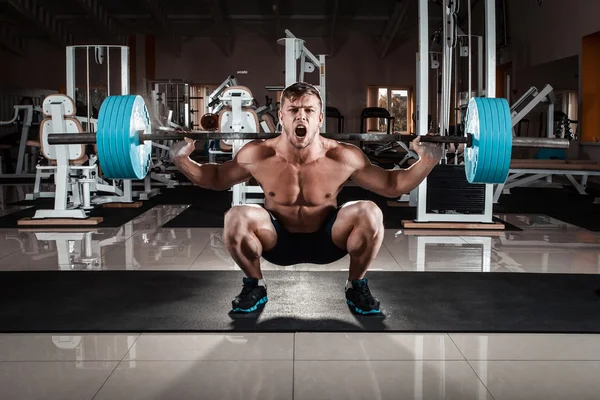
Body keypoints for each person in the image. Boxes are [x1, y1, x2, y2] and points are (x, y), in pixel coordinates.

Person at [170, 82, 442, 315]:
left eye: (309, 110)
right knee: (236, 216)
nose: (301, 117)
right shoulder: (259, 154)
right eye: (293, 110)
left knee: (370, 212)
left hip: (328, 240)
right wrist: (181, 159)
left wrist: (427, 161)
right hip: (276, 242)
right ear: (281, 116)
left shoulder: (342, 156)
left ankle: (356, 285)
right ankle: (254, 285)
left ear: (320, 118)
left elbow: (392, 185)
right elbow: (216, 178)